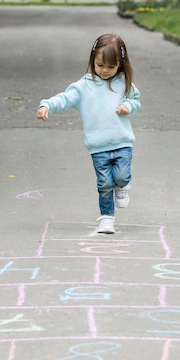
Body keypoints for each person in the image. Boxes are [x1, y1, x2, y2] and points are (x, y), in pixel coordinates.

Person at [36, 33, 141, 234]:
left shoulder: (123, 83)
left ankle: (122, 186)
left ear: (120, 64)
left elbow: (135, 100)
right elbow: (65, 98)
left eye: (111, 67)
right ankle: (106, 219)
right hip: (98, 146)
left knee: (121, 176)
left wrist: (128, 105)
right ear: (93, 60)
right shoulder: (83, 86)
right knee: (104, 184)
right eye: (100, 65)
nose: (105, 70)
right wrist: (47, 104)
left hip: (122, 142)